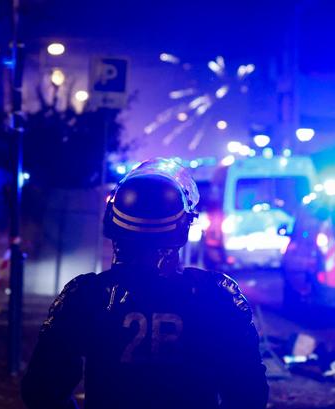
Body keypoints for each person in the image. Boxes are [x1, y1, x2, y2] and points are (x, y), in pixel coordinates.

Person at [21, 158, 269, 409]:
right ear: (183, 228)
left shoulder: (84, 295)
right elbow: (249, 393)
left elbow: (42, 390)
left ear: (111, 224)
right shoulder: (217, 295)